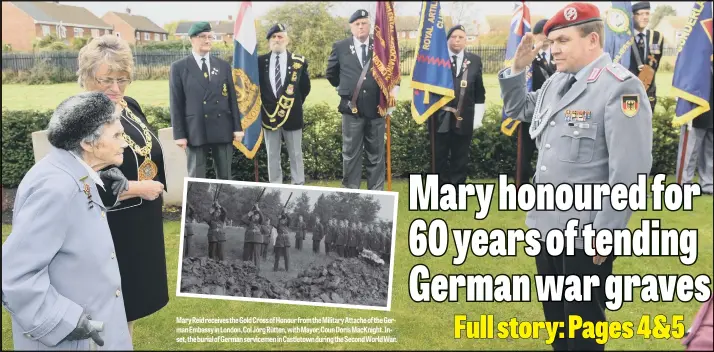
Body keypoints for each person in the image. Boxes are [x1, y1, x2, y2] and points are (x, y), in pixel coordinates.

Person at [498, 3, 652, 350]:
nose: (554, 49)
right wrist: (517, 68)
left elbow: (630, 171)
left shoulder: (620, 88)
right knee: (558, 328)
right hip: (547, 227)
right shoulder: (556, 83)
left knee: (583, 333)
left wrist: (607, 231)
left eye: (563, 40)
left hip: (587, 236)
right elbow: (520, 109)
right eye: (551, 41)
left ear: (593, 40)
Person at [2, 92, 132, 350]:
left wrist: (102, 184)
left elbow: (73, 229)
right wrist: (64, 322)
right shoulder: (57, 188)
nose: (125, 143)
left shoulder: (71, 171)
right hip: (75, 340)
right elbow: (13, 275)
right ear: (87, 142)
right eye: (117, 135)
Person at [77, 34, 169, 338]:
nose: (116, 88)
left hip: (141, 221)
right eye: (106, 80)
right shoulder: (82, 117)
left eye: (122, 79)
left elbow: (146, 150)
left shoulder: (128, 105)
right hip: (111, 225)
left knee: (132, 306)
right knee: (110, 310)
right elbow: (82, 179)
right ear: (88, 77)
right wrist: (137, 188)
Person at [326, 9, 399, 190]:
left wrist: (391, 94)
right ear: (351, 27)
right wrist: (345, 88)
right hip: (352, 110)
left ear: (370, 26)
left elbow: (391, 72)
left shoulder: (380, 47)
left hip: (376, 108)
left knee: (376, 155)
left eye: (364, 23)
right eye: (357, 24)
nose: (360, 27)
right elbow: (331, 73)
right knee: (351, 154)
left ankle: (377, 193)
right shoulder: (340, 47)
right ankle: (351, 193)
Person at [169, 21, 244, 180]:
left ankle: (224, 203)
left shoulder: (223, 66)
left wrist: (237, 127)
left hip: (222, 126)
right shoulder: (179, 67)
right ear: (192, 39)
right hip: (195, 129)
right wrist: (179, 134)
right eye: (203, 37)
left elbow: (232, 99)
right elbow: (176, 102)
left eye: (210, 36)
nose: (207, 40)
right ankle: (195, 205)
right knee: (196, 177)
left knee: (225, 177)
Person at [428, 24, 486, 186]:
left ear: (466, 40)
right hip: (439, 116)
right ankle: (439, 188)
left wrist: (478, 117)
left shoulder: (474, 60)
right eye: (453, 37)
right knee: (438, 155)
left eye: (461, 37)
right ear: (447, 40)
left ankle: (457, 187)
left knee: (460, 156)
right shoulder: (436, 60)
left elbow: (479, 92)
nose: (457, 40)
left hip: (464, 116)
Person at [259, 24, 311, 185]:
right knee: (272, 154)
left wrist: (293, 104)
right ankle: (276, 186)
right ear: (269, 41)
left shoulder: (299, 62)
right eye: (273, 37)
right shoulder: (259, 62)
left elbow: (304, 88)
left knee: (295, 153)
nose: (276, 40)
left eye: (280, 36)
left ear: (287, 40)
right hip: (269, 116)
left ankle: (298, 185)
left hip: (292, 114)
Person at [514, 19, 555, 186]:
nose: (546, 39)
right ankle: (522, 183)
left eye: (549, 35)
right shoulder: (528, 58)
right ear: (536, 35)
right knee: (526, 149)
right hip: (532, 109)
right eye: (544, 35)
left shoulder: (556, 56)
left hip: (551, 110)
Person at [676, 88, 713, 195]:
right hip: (695, 100)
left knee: (710, 149)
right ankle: (684, 184)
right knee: (689, 148)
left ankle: (708, 183)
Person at [628, 1, 663, 111]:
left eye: (647, 14)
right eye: (641, 14)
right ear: (633, 16)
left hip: (648, 91)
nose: (645, 17)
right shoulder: (623, 38)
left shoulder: (656, 37)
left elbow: (655, 64)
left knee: (646, 125)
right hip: (628, 90)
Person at [241, 205, 264, 270]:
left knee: (256, 256)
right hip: (249, 240)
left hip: (257, 240)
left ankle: (257, 270)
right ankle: (246, 268)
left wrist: (258, 209)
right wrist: (249, 214)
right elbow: (243, 220)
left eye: (256, 215)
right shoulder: (249, 222)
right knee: (247, 255)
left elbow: (262, 218)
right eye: (253, 215)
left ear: (258, 217)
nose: (254, 216)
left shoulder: (260, 222)